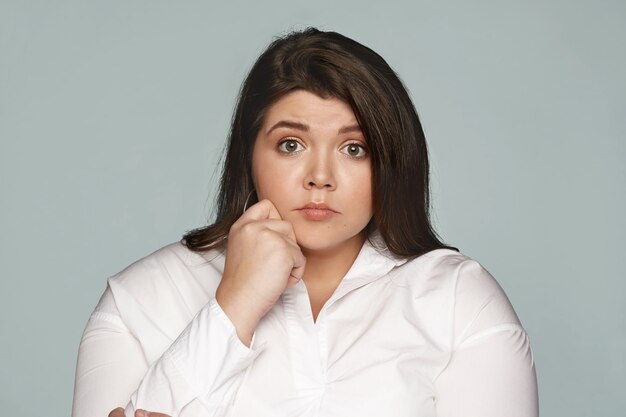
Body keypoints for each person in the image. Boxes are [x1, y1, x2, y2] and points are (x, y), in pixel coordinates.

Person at [72, 28, 539, 417]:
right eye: (291, 144)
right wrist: (232, 307)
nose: (320, 177)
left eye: (354, 149)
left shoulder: (458, 300)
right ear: (249, 154)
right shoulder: (141, 299)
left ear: (392, 162)